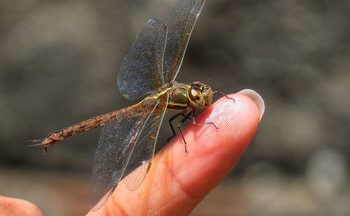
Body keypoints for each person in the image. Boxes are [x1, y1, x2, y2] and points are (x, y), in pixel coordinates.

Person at [0, 90, 264, 216]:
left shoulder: (183, 99)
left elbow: (176, 123)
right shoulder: (173, 108)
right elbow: (180, 122)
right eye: (197, 96)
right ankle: (53, 138)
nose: (203, 98)